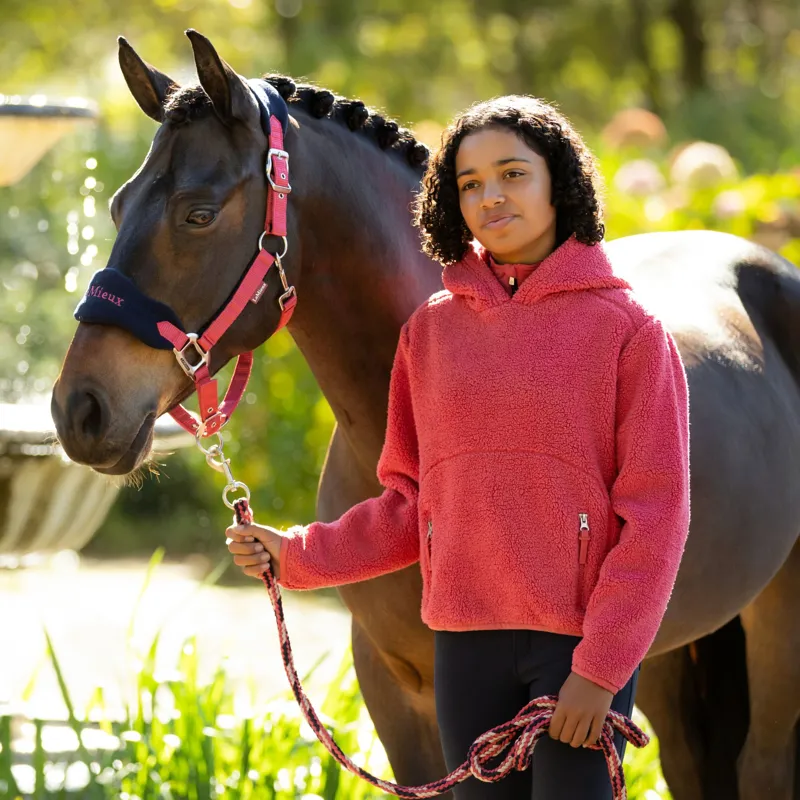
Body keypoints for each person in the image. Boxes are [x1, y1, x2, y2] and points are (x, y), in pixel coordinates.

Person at [225, 95, 691, 799]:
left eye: (512, 174)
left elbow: (655, 520)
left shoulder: (629, 332)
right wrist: (297, 554)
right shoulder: (430, 335)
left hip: (579, 649)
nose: (490, 197)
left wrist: (599, 672)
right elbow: (410, 506)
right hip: (466, 647)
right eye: (470, 184)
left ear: (558, 180)